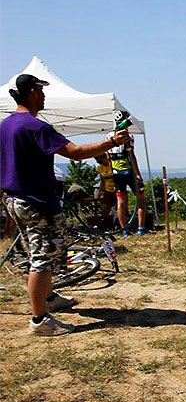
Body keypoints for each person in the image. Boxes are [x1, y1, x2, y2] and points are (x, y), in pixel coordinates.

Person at [0, 73, 130, 336]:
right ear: (33, 92)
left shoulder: (5, 126)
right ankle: (39, 321)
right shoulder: (37, 128)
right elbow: (76, 153)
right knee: (42, 260)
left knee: (42, 253)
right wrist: (112, 141)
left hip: (15, 201)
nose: (45, 95)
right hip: (37, 203)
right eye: (42, 90)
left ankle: (48, 298)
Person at [105, 112, 147, 237]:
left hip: (116, 173)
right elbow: (131, 155)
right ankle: (141, 228)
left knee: (121, 202)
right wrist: (138, 174)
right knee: (141, 198)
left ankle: (124, 230)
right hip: (129, 172)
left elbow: (107, 156)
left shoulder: (108, 136)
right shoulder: (128, 136)